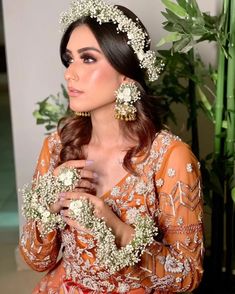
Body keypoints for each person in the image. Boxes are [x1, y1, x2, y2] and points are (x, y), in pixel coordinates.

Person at [19, 0, 204, 293]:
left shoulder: (170, 158)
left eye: (88, 59)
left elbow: (187, 276)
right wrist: (48, 204)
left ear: (126, 73)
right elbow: (36, 259)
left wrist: (117, 228)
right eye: (69, 59)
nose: (70, 73)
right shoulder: (57, 148)